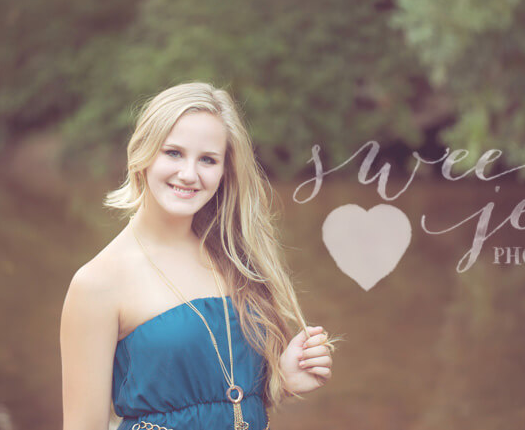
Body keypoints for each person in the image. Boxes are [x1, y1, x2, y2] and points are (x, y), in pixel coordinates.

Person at [60, 82, 336, 430]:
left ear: (224, 171)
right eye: (173, 153)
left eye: (208, 159)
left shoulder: (235, 258)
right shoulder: (97, 284)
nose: (189, 174)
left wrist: (280, 381)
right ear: (142, 153)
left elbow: (224, 397)